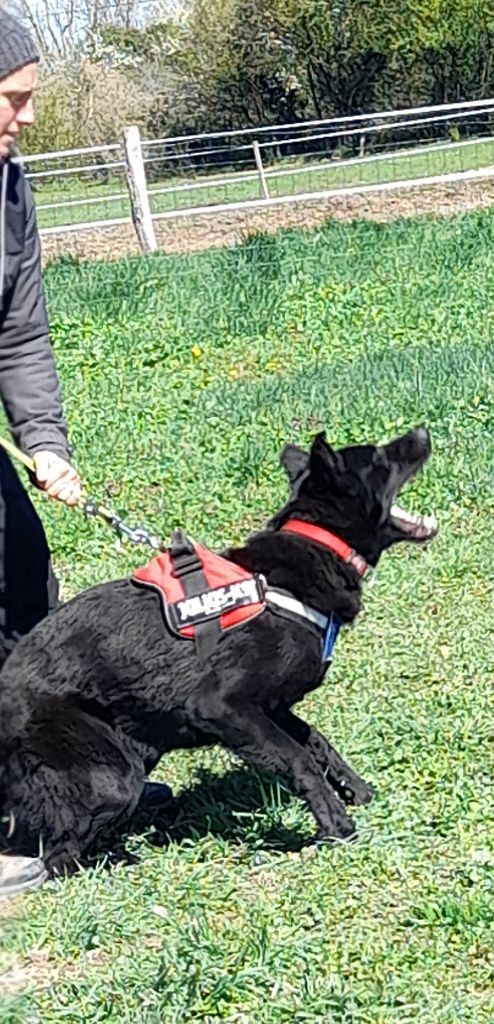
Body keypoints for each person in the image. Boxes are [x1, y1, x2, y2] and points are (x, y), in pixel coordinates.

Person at [0, 9, 169, 899]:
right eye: (13, 98)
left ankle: (48, 788)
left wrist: (43, 441)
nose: (25, 116)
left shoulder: (9, 189)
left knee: (24, 585)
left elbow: (19, 330)